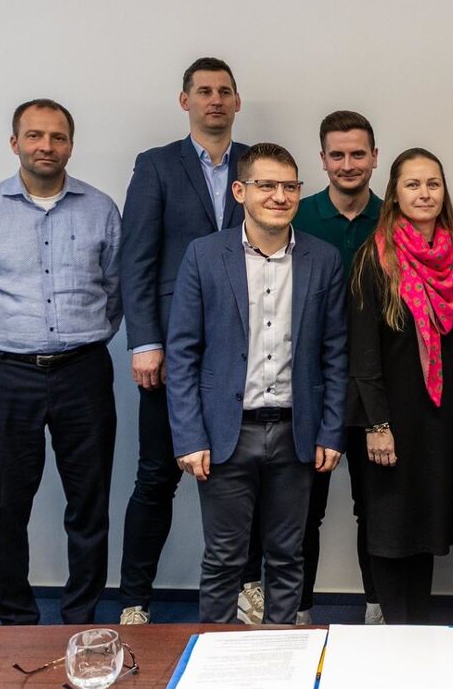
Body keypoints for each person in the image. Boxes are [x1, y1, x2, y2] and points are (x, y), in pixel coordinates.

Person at [0, 98, 122, 626]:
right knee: (5, 504)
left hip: (83, 372)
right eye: (34, 136)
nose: (45, 146)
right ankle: (13, 619)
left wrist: (81, 342)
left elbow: (114, 292)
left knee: (89, 502)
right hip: (5, 375)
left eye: (57, 137)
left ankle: (81, 615)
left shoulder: (101, 209)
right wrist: (0, 351)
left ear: (70, 145)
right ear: (15, 143)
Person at [166, 143, 348, 624]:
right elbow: (182, 353)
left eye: (290, 186)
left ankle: (281, 653)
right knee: (223, 559)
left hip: (296, 432)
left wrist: (332, 431)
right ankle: (213, 656)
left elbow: (335, 353)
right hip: (226, 433)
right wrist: (189, 436)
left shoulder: (323, 259)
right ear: (240, 191)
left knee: (288, 556)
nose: (279, 196)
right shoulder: (205, 255)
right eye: (266, 185)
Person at [117, 57, 259, 625]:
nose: (215, 100)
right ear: (186, 101)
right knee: (157, 476)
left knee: (246, 474)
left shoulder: (256, 164)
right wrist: (144, 341)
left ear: (237, 102)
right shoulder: (156, 166)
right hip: (173, 349)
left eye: (224, 91)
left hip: (244, 348)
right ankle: (135, 600)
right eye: (204, 91)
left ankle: (248, 588)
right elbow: (136, 259)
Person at [348, 148, 453, 623]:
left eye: (433, 183)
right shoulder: (375, 258)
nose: (424, 193)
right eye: (413, 184)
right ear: (394, 194)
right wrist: (376, 424)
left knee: (426, 523)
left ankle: (417, 625)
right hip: (391, 417)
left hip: (440, 415)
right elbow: (363, 352)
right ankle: (394, 625)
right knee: (391, 526)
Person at [292, 110, 383, 626]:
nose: (348, 164)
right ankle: (299, 611)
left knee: (376, 508)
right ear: (322, 159)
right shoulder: (296, 215)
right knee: (305, 509)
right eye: (337, 155)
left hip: (375, 390)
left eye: (358, 154)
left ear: (375, 157)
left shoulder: (394, 219)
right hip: (311, 386)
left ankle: (378, 609)